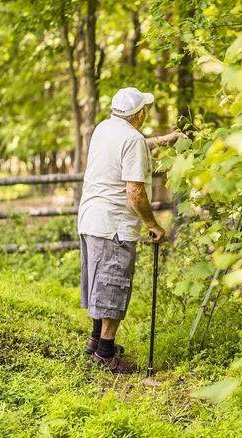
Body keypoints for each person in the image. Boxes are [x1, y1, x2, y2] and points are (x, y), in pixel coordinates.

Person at [77, 87, 184, 374]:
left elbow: (131, 145)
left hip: (91, 219)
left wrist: (164, 140)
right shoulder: (132, 139)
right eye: (145, 108)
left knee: (100, 281)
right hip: (114, 225)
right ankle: (105, 353)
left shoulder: (105, 128)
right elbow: (135, 192)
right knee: (113, 284)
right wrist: (152, 224)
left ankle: (95, 341)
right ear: (139, 114)